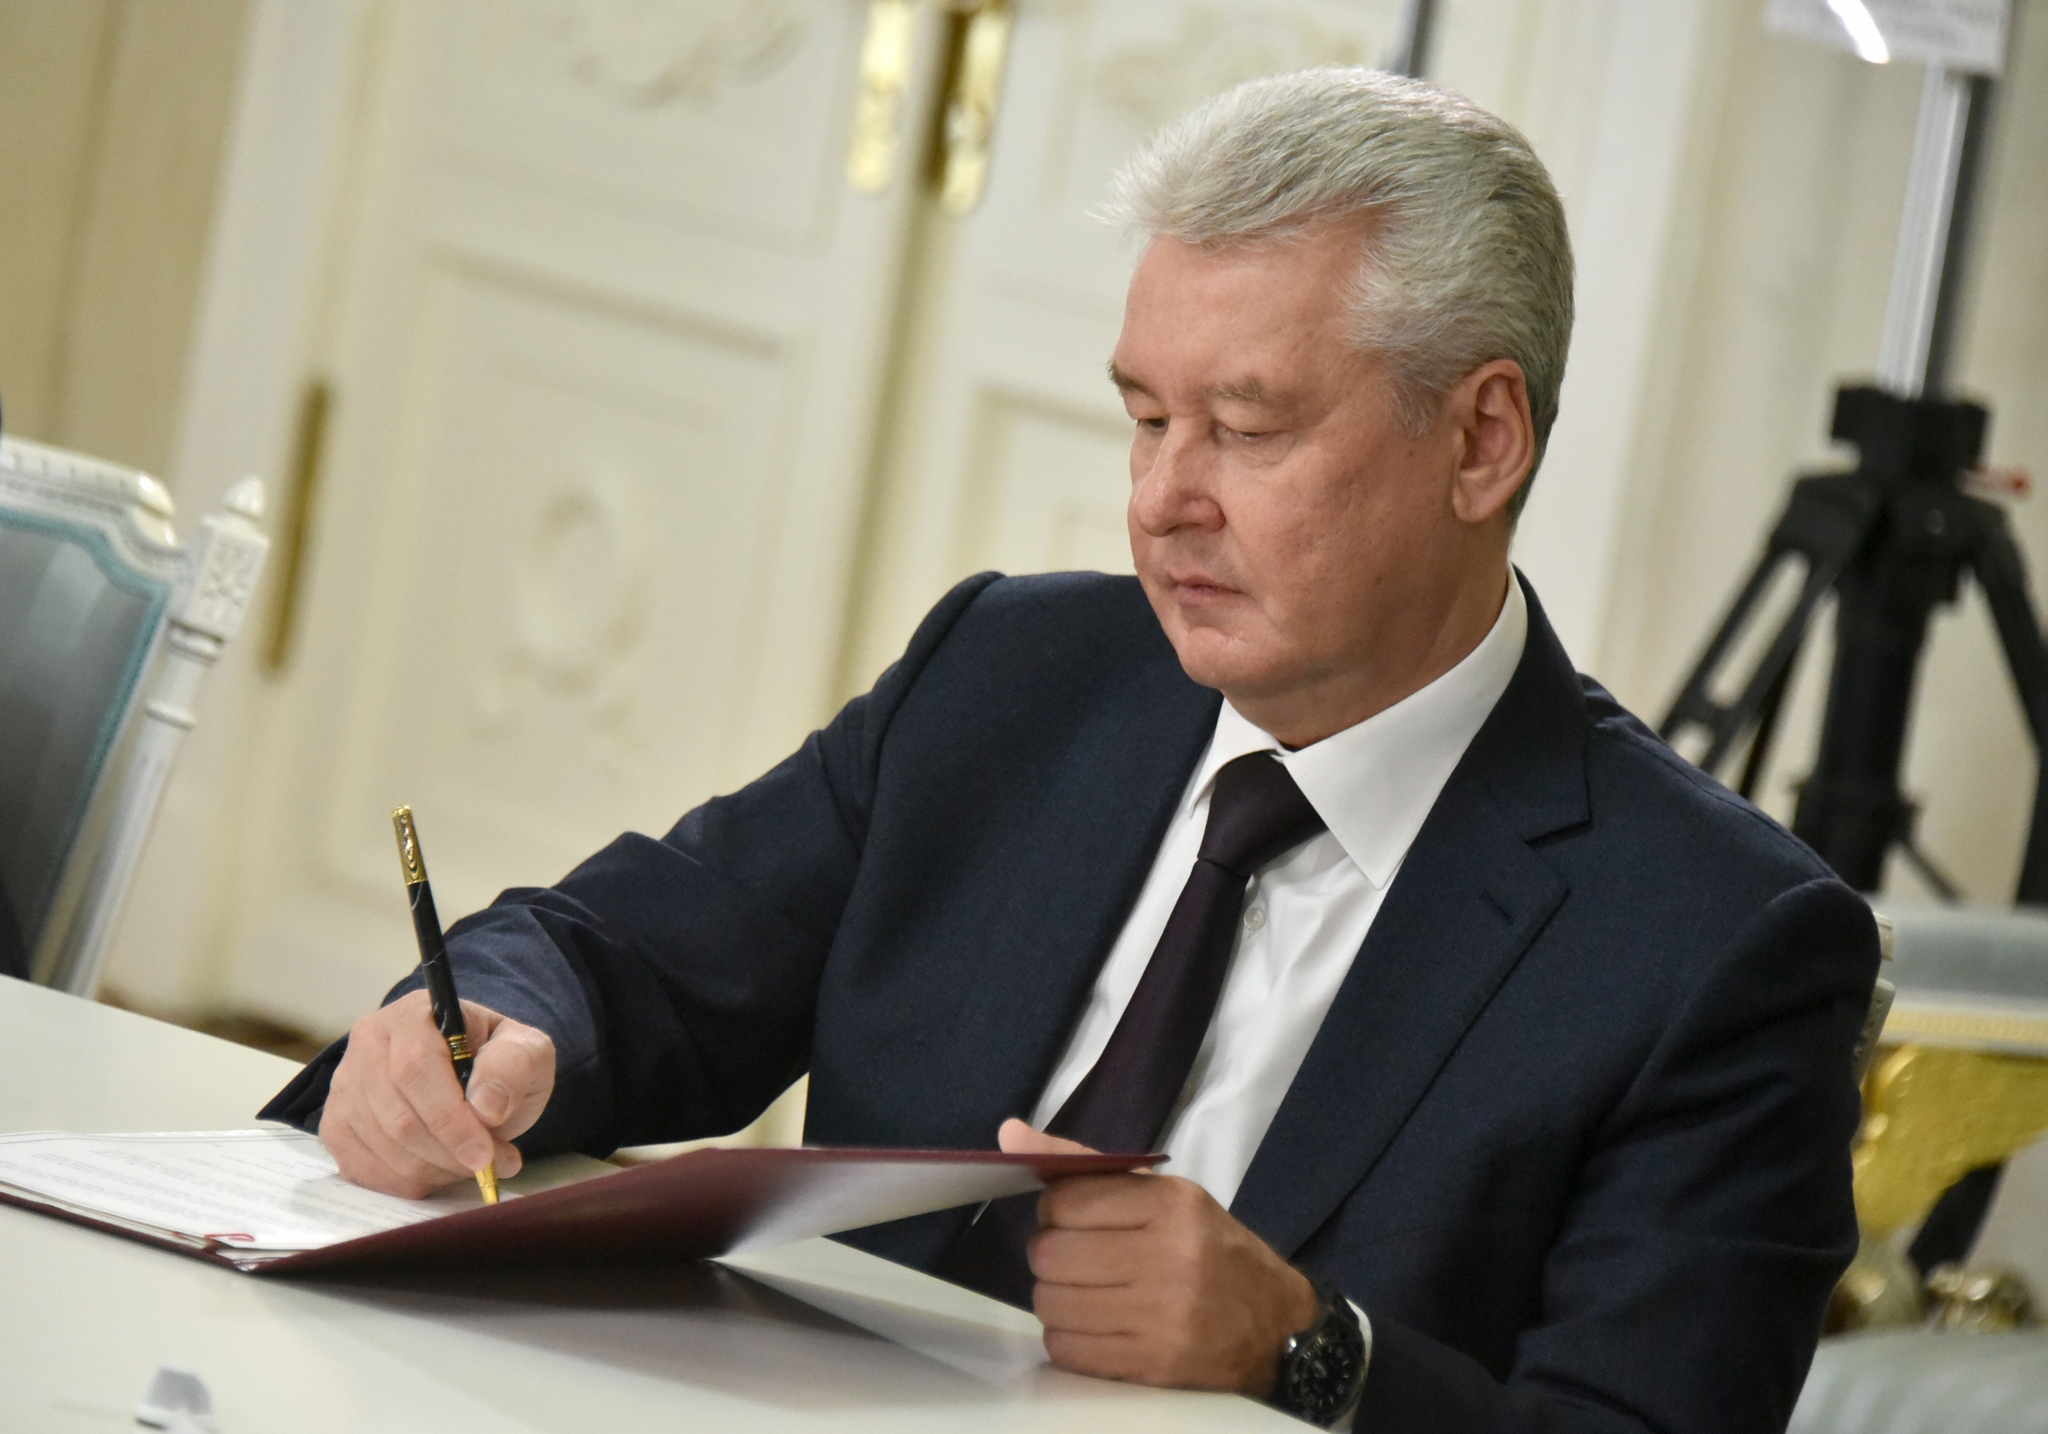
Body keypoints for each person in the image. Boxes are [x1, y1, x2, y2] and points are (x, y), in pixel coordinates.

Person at [262, 68, 1879, 1431]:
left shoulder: (1719, 943)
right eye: (1146, 417)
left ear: (1482, 439)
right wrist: (489, 1030)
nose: (1165, 499)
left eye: (1247, 428)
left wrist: (1305, 1349)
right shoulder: (1016, 673)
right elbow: (624, 954)